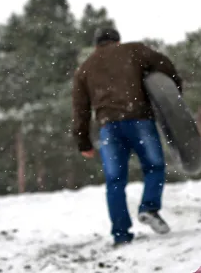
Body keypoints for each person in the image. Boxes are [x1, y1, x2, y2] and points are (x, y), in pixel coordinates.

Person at [71, 28, 182, 247]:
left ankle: (121, 234)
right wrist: (174, 96)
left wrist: (83, 141)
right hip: (139, 119)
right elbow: (165, 66)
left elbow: (80, 109)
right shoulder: (134, 50)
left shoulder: (85, 68)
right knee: (154, 167)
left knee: (115, 182)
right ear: (117, 41)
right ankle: (148, 208)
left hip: (108, 127)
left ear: (96, 45)